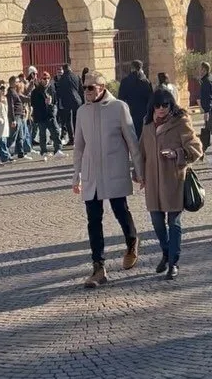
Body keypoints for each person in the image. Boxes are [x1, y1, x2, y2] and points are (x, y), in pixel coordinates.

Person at [73, 71, 143, 288]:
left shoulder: (119, 107)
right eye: (84, 87)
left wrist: (138, 170)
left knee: (120, 210)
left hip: (114, 169)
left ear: (101, 88)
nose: (86, 92)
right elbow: (78, 146)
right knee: (93, 220)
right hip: (92, 173)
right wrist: (76, 175)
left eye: (90, 88)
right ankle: (98, 267)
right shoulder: (82, 112)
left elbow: (132, 141)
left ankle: (132, 242)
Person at [139, 87, 202, 279]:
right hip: (152, 182)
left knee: (173, 222)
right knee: (157, 222)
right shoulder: (147, 124)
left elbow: (196, 149)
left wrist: (177, 154)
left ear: (171, 104)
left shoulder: (180, 122)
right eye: (157, 105)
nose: (161, 109)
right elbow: (142, 151)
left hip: (174, 179)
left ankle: (174, 262)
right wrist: (139, 173)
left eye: (165, 105)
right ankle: (165, 252)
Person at [30, 71, 64, 160]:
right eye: (44, 79)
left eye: (48, 78)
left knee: (56, 132)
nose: (47, 80)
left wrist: (52, 104)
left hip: (51, 114)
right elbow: (33, 103)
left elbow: (56, 101)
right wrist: (43, 102)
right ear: (41, 80)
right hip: (41, 115)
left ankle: (58, 150)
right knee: (42, 134)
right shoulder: (36, 91)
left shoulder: (52, 88)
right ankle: (44, 151)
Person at [118, 59, 153, 138]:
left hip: (129, 113)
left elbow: (120, 99)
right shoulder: (146, 82)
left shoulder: (125, 81)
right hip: (144, 114)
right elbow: (150, 99)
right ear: (141, 68)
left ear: (131, 68)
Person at [56, 62, 83, 144]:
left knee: (68, 121)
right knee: (77, 120)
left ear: (64, 69)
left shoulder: (62, 79)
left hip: (67, 102)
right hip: (78, 101)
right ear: (70, 68)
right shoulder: (76, 77)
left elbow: (59, 92)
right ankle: (79, 138)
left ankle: (72, 139)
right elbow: (81, 89)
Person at [198, 61, 212, 158]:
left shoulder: (207, 81)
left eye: (202, 69)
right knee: (206, 132)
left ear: (205, 70)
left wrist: (207, 111)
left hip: (211, 111)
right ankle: (201, 153)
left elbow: (209, 97)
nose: (200, 71)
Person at [7, 75, 30, 160]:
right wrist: (13, 119)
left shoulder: (15, 91)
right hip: (16, 116)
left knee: (20, 136)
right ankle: (4, 152)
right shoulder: (10, 93)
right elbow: (11, 107)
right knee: (13, 136)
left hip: (20, 115)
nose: (18, 83)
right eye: (17, 82)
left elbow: (24, 98)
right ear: (12, 83)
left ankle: (21, 153)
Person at [0, 80, 12, 163]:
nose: (4, 90)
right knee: (0, 140)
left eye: (5, 88)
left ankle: (4, 155)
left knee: (3, 139)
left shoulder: (5, 98)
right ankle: (4, 156)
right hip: (0, 121)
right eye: (2, 88)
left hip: (5, 121)